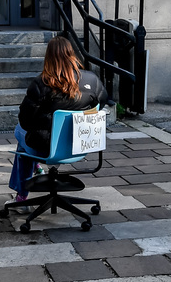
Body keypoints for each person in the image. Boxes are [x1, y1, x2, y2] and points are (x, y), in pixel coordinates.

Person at [10, 36, 109, 201]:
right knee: (25, 136)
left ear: (48, 57)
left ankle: (22, 196)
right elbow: (101, 103)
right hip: (79, 145)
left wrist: (45, 119)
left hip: (47, 147)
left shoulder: (41, 83)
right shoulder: (91, 80)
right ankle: (35, 168)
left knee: (20, 132)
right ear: (72, 54)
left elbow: (25, 121)